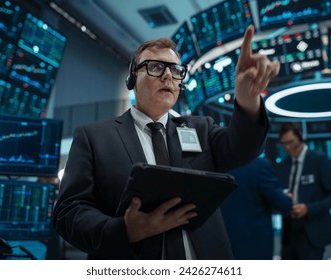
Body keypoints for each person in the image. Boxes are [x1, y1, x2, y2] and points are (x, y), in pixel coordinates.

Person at [52, 25, 280, 260]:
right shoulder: (94, 137)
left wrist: (247, 99)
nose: (168, 76)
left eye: (176, 70)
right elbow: (68, 213)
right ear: (132, 78)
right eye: (156, 67)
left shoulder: (200, 128)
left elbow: (243, 148)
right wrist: (124, 230)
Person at [276, 122, 331, 260]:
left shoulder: (319, 159)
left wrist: (309, 208)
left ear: (301, 137)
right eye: (284, 144)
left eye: (291, 142)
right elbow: (279, 189)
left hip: (312, 230)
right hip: (289, 231)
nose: (288, 148)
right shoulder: (284, 164)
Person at [221, 156, 292, 259]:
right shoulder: (259, 165)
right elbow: (280, 201)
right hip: (255, 239)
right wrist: (288, 199)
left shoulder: (217, 165)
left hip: (224, 237)